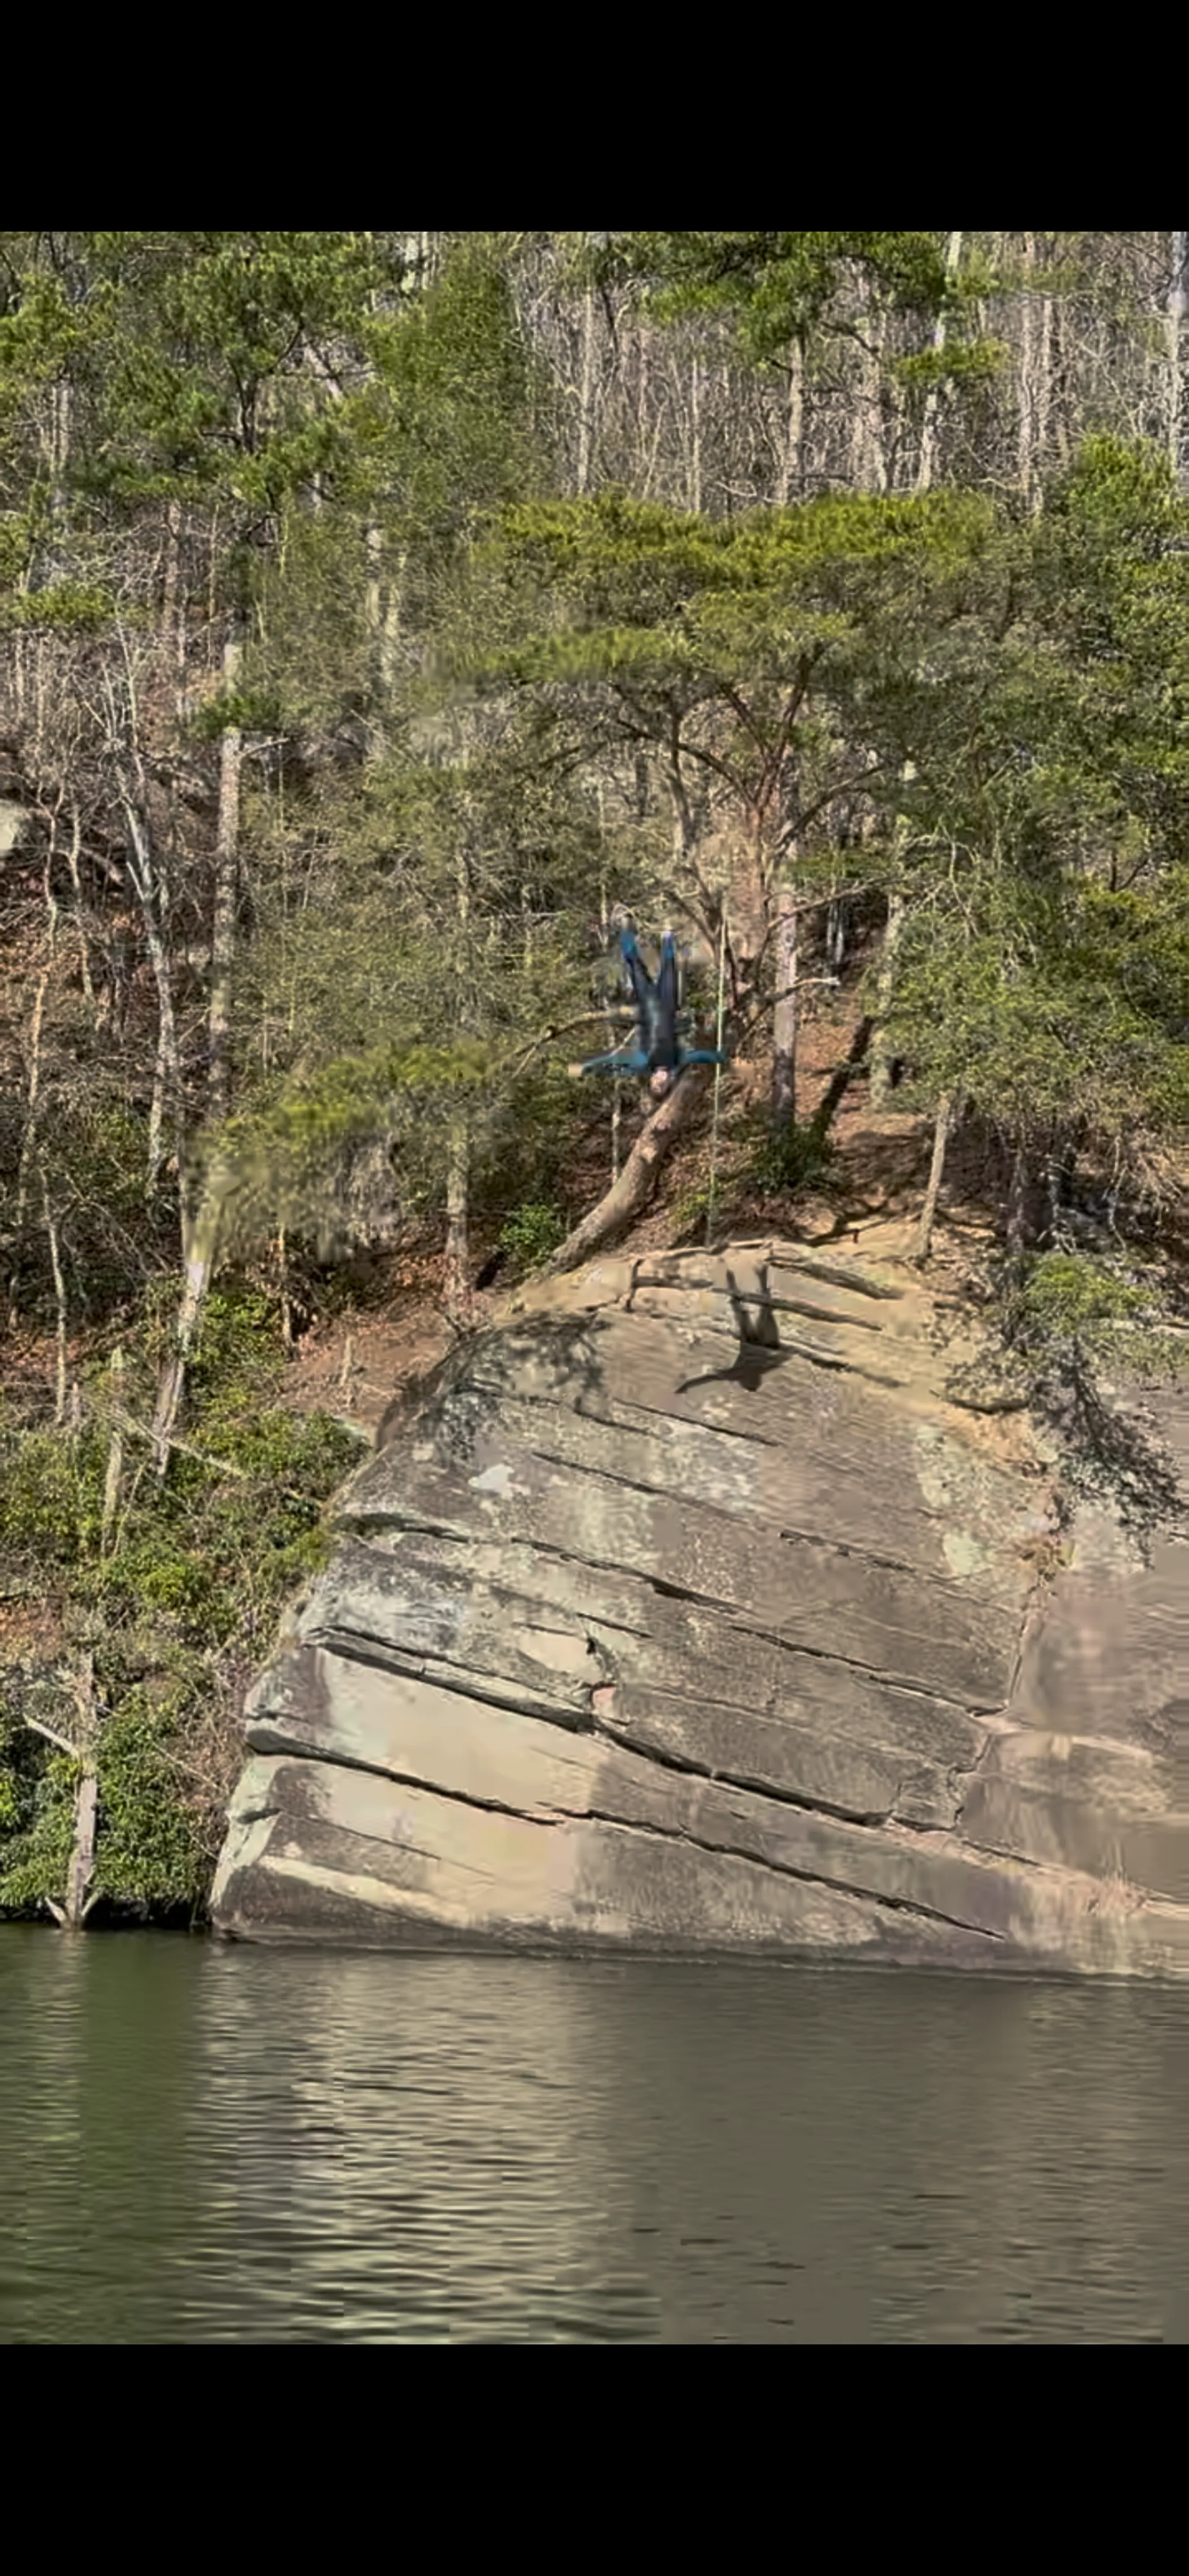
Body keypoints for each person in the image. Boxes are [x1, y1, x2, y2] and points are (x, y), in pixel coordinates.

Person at [570, 927, 728, 1099]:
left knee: (635, 965)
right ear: (669, 1083)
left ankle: (624, 927)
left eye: (654, 1086)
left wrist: (585, 1068)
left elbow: (615, 1066)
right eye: (661, 1087)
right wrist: (722, 1057)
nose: (657, 1083)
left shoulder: (644, 1064)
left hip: (647, 1003)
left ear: (651, 1080)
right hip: (668, 1004)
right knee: (669, 966)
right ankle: (667, 935)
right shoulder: (677, 1062)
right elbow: (700, 1056)